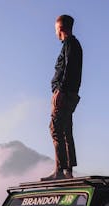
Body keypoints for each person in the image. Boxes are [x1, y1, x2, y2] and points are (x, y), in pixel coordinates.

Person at [41, 14, 83, 181]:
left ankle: (60, 170)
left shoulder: (70, 44)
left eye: (56, 29)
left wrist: (60, 91)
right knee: (66, 130)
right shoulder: (73, 44)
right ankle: (67, 171)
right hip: (68, 93)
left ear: (61, 28)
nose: (55, 32)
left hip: (64, 94)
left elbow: (69, 69)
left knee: (56, 128)